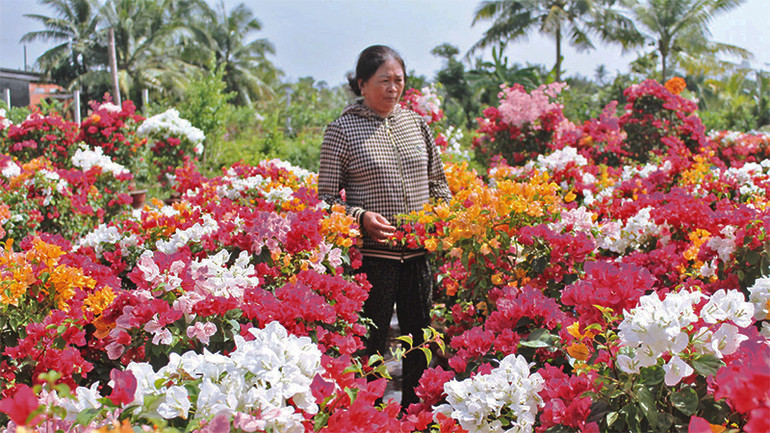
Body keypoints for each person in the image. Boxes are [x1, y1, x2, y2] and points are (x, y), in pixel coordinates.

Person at [317, 45, 452, 410]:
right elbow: (324, 199)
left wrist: (439, 217)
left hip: (418, 256)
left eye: (399, 80)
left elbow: (440, 186)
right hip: (374, 260)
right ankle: (370, 416)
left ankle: (415, 414)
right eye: (384, 80)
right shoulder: (342, 130)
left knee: (421, 341)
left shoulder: (416, 125)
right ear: (362, 84)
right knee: (372, 344)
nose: (393, 88)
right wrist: (360, 217)